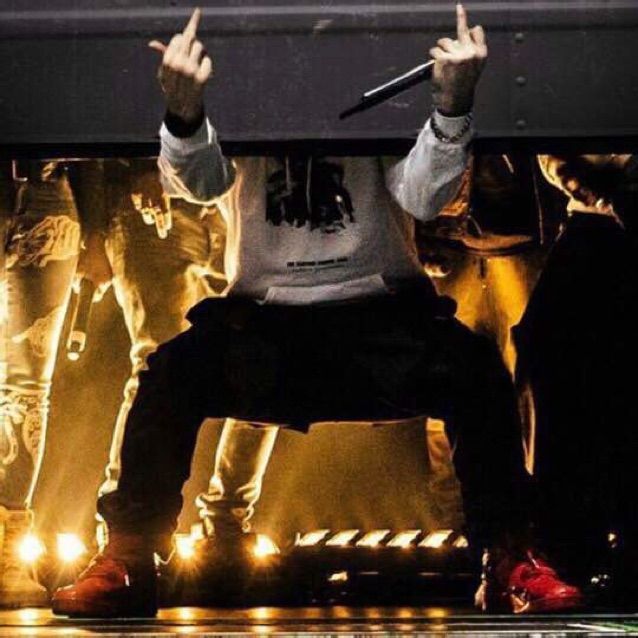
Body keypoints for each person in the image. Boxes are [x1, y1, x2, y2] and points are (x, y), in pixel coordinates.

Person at [52, 5, 582, 617]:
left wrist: (451, 109)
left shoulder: (377, 79)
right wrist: (184, 113)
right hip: (268, 325)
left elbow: (422, 195)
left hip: (378, 319)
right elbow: (199, 183)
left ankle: (507, 557)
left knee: (476, 370)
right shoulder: (248, 81)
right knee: (170, 374)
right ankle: (130, 557)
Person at [75, 159, 279, 551]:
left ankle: (225, 522)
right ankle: (128, 526)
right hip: (151, 195)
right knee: (157, 362)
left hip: (232, 200)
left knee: (260, 352)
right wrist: (96, 231)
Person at [514, 154, 638, 602]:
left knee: (561, 375)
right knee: (559, 377)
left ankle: (577, 551)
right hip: (594, 230)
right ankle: (574, 551)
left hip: (595, 228)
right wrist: (610, 193)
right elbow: (556, 154)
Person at [0, 160, 81, 606]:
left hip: (48, 190)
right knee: (26, 386)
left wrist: (97, 224)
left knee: (29, 385)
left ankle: (10, 545)